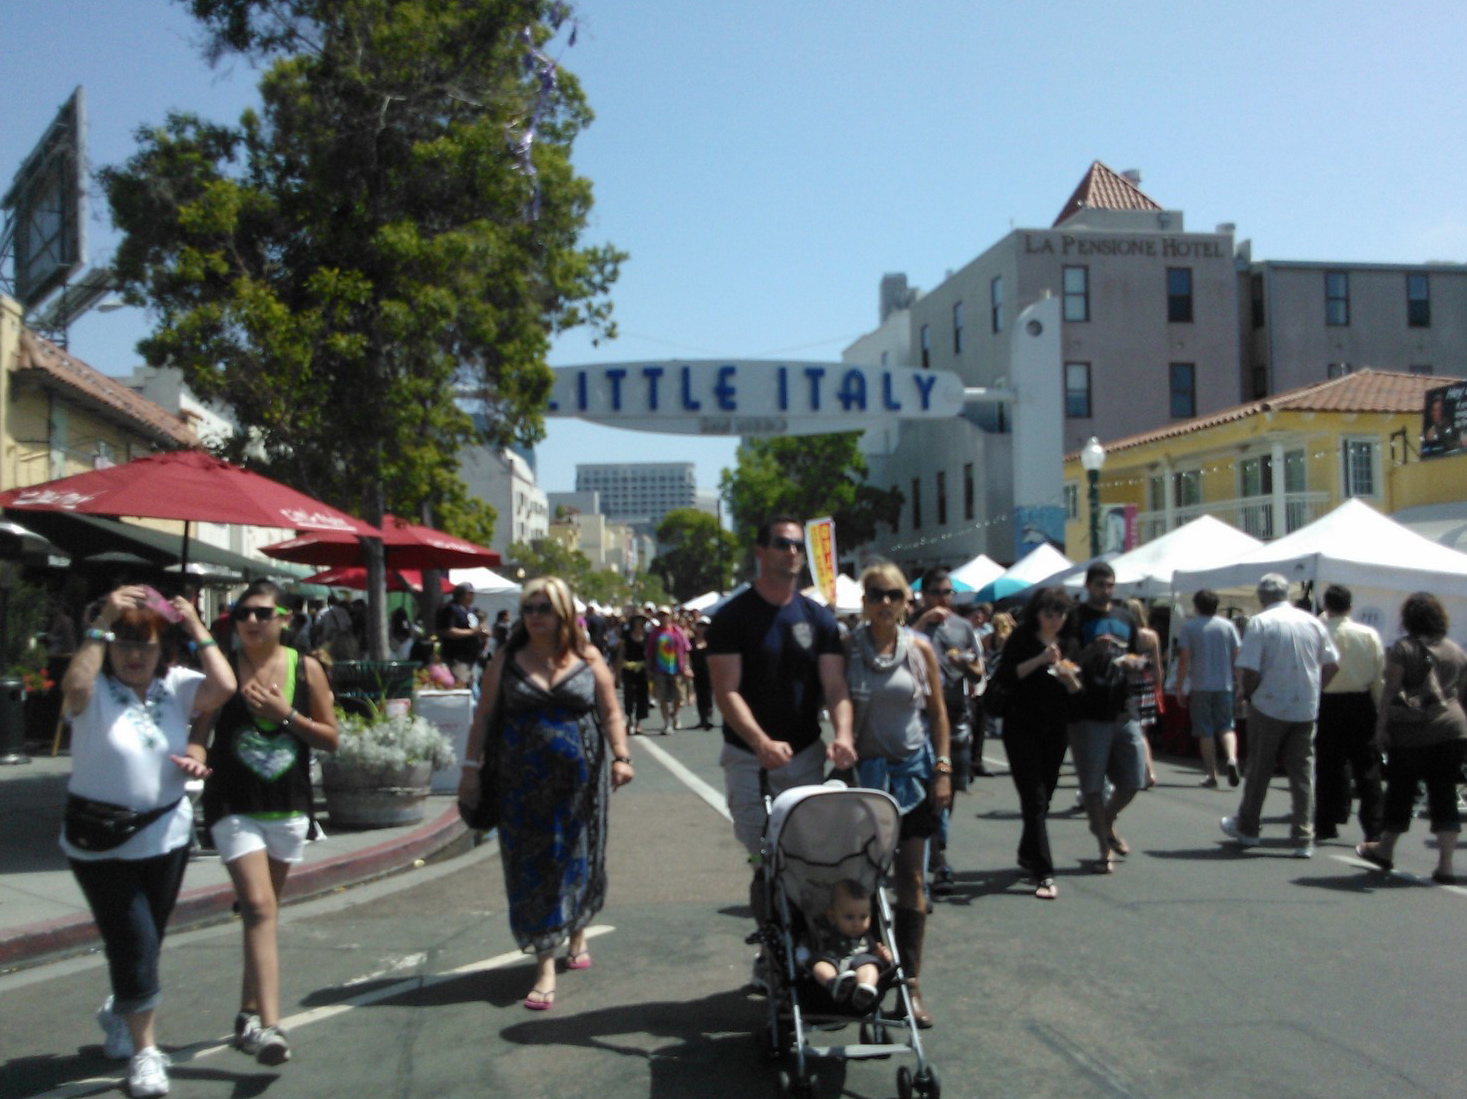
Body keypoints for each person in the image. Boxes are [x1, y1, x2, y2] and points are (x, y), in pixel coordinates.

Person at [61, 585, 236, 1098]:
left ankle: (121, 1010)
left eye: (145, 646)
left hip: (167, 835)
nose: (134, 656)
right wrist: (103, 620)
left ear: (163, 651)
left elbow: (224, 685)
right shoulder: (94, 689)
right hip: (101, 840)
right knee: (134, 940)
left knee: (146, 940)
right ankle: (145, 1053)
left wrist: (195, 624)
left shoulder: (175, 686)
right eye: (124, 644)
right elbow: (73, 686)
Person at [456, 577, 633, 1010]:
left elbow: (611, 711)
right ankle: (544, 964)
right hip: (520, 786)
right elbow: (483, 717)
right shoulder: (508, 657)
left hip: (580, 784)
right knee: (530, 867)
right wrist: (470, 770)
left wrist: (621, 756)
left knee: (577, 857)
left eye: (544, 609)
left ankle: (577, 931)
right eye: (529, 609)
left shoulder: (588, 657)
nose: (535, 616)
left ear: (563, 614)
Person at [707, 517, 855, 988]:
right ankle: (773, 951)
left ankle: (810, 951)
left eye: (797, 546)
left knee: (807, 860)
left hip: (806, 755)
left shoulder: (818, 618)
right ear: (761, 551)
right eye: (781, 544)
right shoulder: (732, 617)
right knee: (764, 860)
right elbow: (726, 691)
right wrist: (760, 742)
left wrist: (843, 734)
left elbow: (835, 686)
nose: (792, 552)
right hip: (749, 758)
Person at [196, 579, 339, 1065]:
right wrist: (193, 759)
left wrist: (286, 715)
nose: (251, 621)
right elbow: (200, 730)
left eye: (262, 613)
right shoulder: (223, 668)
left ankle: (247, 1014)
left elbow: (330, 738)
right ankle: (272, 1029)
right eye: (242, 614)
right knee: (257, 907)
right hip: (232, 806)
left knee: (263, 916)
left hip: (287, 807)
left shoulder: (307, 668)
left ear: (284, 619)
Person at [847, 562, 950, 1026]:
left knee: (911, 880)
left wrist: (943, 769)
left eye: (893, 594)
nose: (885, 603)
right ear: (864, 601)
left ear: (907, 601)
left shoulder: (919, 649)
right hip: (863, 779)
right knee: (863, 881)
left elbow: (938, 714)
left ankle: (911, 984)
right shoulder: (848, 649)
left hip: (912, 777)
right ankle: (870, 969)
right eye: (876, 594)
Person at [1221, 573, 1339, 858]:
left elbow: (1249, 668)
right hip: (1304, 705)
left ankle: (1249, 827)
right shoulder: (1312, 622)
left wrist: (1248, 694)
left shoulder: (1261, 622)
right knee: (1302, 773)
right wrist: (1316, 689)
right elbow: (1332, 664)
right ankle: (1303, 836)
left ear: (1262, 597)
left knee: (1260, 769)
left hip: (1269, 703)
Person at [1356, 593, 1467, 882]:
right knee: (1444, 795)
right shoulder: (1456, 651)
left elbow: (1391, 691)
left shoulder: (1403, 649)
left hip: (1411, 734)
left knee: (1401, 792)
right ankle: (1446, 866)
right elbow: (1463, 695)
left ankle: (1385, 849)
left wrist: (1380, 729)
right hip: (1452, 730)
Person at [996, 587, 1081, 900]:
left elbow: (1078, 690)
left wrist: (1069, 678)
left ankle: (1027, 851)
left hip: (1055, 726)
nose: (1054, 620)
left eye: (1060, 614)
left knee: (1045, 796)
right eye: (1049, 614)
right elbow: (1007, 675)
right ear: (1037, 614)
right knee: (1033, 798)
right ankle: (1044, 872)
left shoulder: (1070, 643)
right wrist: (1041, 659)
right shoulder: (1022, 638)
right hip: (1021, 725)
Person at [1064, 561, 1148, 872]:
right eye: (1100, 585)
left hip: (1123, 708)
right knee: (1093, 785)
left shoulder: (1125, 617)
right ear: (1088, 586)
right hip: (1087, 710)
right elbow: (1067, 662)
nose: (1106, 591)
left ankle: (1105, 821)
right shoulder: (1076, 617)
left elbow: (1136, 654)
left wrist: (1134, 664)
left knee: (1134, 780)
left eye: (1110, 585)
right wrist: (1091, 651)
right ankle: (1103, 847)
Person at [910, 568, 984, 897]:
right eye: (937, 592)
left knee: (949, 787)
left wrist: (965, 664)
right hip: (920, 716)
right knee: (927, 785)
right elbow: (899, 649)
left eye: (948, 592)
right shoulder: (912, 623)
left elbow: (979, 669)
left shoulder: (962, 627)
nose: (944, 599)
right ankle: (937, 858)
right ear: (924, 595)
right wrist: (923, 621)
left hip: (956, 714)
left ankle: (935, 843)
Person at [1315, 584, 1385, 843]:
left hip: (1328, 701)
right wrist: (1379, 709)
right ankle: (1374, 827)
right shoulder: (1368, 634)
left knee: (1328, 764)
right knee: (1366, 766)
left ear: (1326, 606)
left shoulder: (1320, 632)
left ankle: (1326, 822)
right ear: (1351, 607)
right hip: (1360, 702)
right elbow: (1378, 677)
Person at [1175, 589, 1242, 788]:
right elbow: (1237, 656)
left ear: (1196, 606)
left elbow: (1184, 659)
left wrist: (1179, 686)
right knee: (1226, 726)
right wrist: (1240, 683)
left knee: (1205, 731)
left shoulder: (1190, 627)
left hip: (1200, 684)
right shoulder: (1228, 626)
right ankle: (1232, 758)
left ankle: (1212, 773)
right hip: (1225, 684)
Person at [795, 879, 893, 1012]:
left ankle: (865, 989)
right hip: (831, 959)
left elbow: (874, 953)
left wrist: (882, 956)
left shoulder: (866, 937)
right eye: (849, 917)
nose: (856, 923)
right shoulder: (823, 930)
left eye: (863, 917)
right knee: (819, 964)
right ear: (832, 916)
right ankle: (833, 983)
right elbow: (806, 944)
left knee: (870, 965)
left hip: (858, 961)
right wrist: (803, 957)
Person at [1124, 597, 1164, 789]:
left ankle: (1145, 772)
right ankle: (1148, 771)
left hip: (1128, 685)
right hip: (1146, 685)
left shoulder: (1125, 634)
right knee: (1143, 731)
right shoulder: (1151, 635)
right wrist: (1158, 685)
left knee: (1132, 730)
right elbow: (1157, 665)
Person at [646, 605, 691, 733]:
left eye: (665, 615)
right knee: (662, 698)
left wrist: (686, 666)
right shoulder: (655, 633)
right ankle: (667, 723)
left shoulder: (677, 631)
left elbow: (686, 649)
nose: (663, 618)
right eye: (660, 615)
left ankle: (674, 714)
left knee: (679, 697)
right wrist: (649, 668)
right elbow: (650, 652)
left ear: (670, 616)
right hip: (659, 669)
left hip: (676, 669)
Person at [437, 582, 488, 685]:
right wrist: (472, 632)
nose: (473, 596)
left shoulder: (470, 610)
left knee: (473, 687)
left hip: (472, 658)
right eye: (470, 593)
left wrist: (483, 629)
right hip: (457, 658)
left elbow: (478, 627)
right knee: (461, 686)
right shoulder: (451, 608)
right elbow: (447, 631)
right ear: (462, 594)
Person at [615, 612, 651, 736]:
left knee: (642, 695)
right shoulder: (626, 634)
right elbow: (621, 652)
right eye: (637, 619)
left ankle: (638, 722)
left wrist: (650, 669)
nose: (639, 621)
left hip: (642, 668)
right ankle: (629, 719)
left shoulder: (647, 635)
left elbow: (649, 653)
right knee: (628, 694)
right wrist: (617, 672)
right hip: (628, 667)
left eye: (641, 619)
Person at [689, 615, 715, 729]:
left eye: (705, 626)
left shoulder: (712, 641)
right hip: (695, 671)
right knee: (699, 694)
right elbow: (687, 655)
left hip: (709, 671)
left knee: (708, 694)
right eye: (700, 625)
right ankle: (702, 719)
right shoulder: (691, 641)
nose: (702, 628)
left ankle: (709, 717)